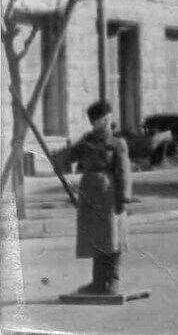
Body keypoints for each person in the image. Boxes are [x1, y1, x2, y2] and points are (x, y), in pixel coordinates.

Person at [59, 101, 131, 296]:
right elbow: (67, 157)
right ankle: (98, 283)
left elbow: (124, 172)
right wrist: (52, 156)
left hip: (109, 194)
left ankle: (112, 282)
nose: (107, 122)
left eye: (109, 118)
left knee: (113, 238)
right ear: (94, 122)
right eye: (102, 119)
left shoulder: (117, 143)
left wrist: (124, 197)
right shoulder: (86, 141)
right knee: (96, 238)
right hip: (89, 193)